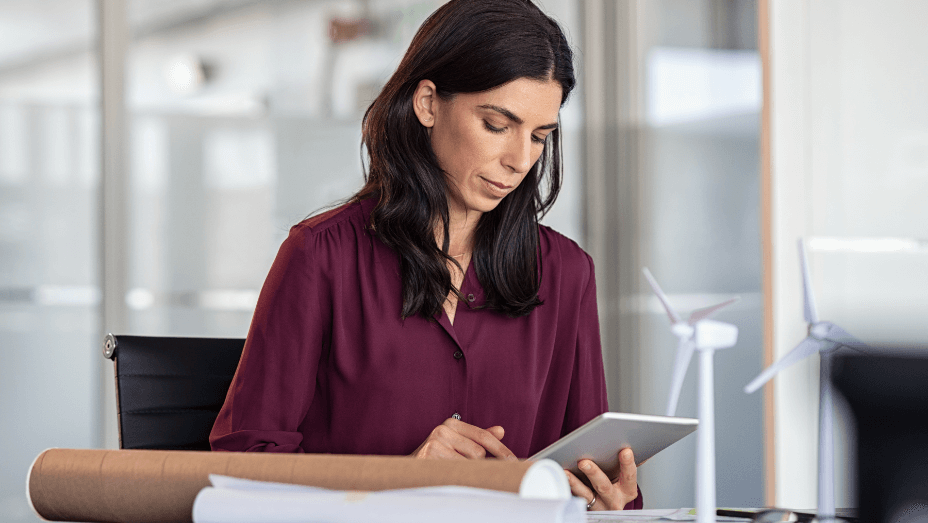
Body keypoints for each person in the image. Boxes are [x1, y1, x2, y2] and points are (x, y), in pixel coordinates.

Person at [209, 0, 642, 511]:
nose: (521, 160)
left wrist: (609, 501)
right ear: (428, 103)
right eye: (498, 125)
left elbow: (591, 470)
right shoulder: (320, 257)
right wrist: (400, 482)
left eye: (539, 136)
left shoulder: (567, 273)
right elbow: (244, 465)